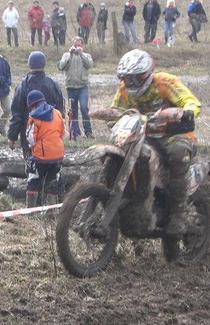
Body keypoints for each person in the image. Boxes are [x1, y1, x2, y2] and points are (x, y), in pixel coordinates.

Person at [111, 49, 201, 236]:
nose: (131, 83)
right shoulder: (123, 89)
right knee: (118, 150)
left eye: (136, 78)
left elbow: (190, 100)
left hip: (174, 133)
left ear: (148, 74)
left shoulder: (164, 82)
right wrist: (110, 117)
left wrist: (187, 112)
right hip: (143, 135)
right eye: (127, 78)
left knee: (177, 154)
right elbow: (116, 110)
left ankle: (178, 214)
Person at [7, 51, 64, 159]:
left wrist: (12, 136)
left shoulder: (23, 85)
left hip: (30, 138)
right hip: (51, 136)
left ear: (29, 64)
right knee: (52, 166)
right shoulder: (53, 84)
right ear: (44, 64)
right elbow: (60, 112)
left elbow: (17, 114)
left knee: (32, 166)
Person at [25, 89, 67, 208]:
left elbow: (30, 138)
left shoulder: (33, 117)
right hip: (58, 154)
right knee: (53, 181)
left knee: (33, 180)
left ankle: (30, 211)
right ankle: (52, 210)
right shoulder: (57, 113)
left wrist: (32, 147)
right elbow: (63, 133)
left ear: (32, 105)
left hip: (41, 156)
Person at [58, 36, 94, 139]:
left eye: (79, 45)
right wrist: (70, 55)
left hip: (83, 86)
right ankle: (75, 132)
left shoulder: (86, 56)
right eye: (75, 45)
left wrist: (81, 54)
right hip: (70, 86)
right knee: (72, 110)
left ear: (82, 46)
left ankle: (88, 132)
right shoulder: (66, 55)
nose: (77, 47)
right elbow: (61, 66)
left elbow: (90, 65)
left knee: (84, 108)